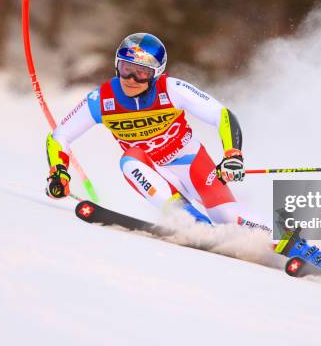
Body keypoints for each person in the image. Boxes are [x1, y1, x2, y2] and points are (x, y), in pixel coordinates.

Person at [45, 33, 269, 231]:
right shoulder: (101, 100)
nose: (131, 80)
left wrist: (232, 155)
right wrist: (58, 173)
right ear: (117, 65)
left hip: (192, 164)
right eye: (126, 69)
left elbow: (222, 115)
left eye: (141, 73)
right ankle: (190, 220)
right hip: (150, 171)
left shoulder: (172, 89)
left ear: (156, 73)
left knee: (228, 216)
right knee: (129, 160)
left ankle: (292, 241)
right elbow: (59, 137)